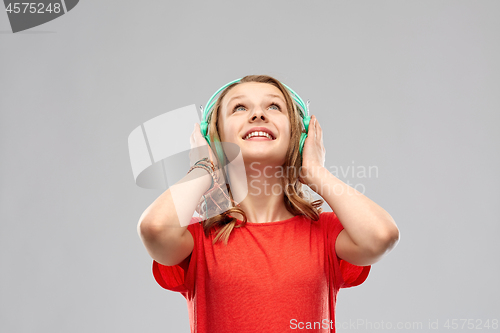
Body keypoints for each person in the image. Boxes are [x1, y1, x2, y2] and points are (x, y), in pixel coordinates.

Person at [137, 75, 400, 333]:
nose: (258, 114)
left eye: (274, 106)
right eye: (239, 108)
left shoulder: (325, 233)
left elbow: (381, 236)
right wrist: (203, 166)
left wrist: (315, 171)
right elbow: (155, 229)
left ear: (299, 136)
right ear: (213, 139)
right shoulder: (199, 239)